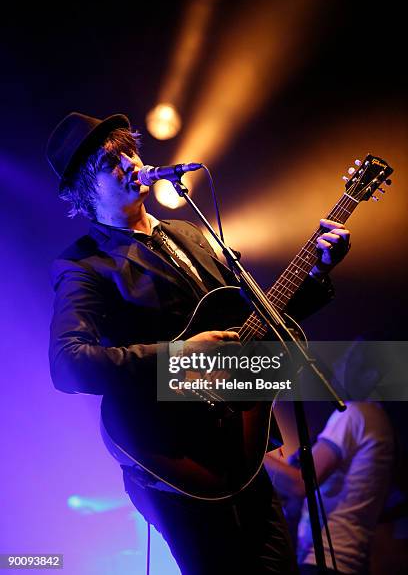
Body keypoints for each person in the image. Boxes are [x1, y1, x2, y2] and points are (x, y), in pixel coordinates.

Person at [46, 111, 351, 574]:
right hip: (175, 462)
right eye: (112, 161)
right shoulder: (84, 266)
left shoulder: (191, 234)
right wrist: (178, 356)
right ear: (86, 191)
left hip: (239, 446)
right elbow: (68, 364)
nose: (130, 162)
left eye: (129, 150)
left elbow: (260, 324)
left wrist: (316, 273)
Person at [264, 339, 396, 575]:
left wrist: (254, 457)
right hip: (349, 561)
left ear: (371, 375)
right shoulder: (378, 420)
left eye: (350, 359)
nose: (339, 364)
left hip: (326, 561)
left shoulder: (356, 414)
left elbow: (300, 483)